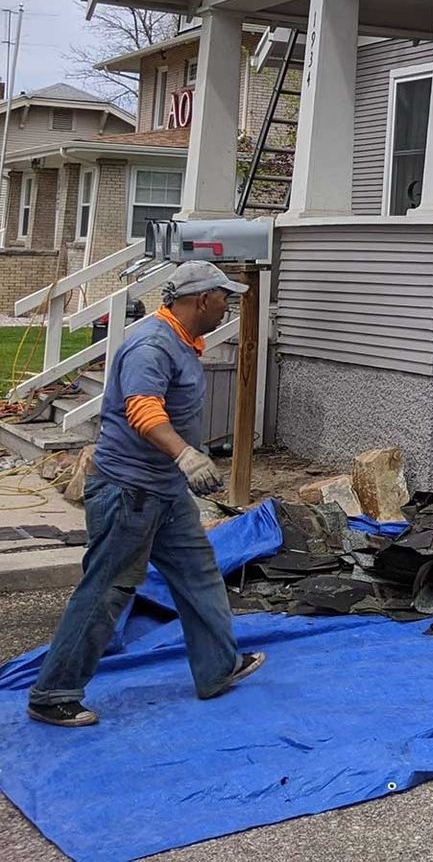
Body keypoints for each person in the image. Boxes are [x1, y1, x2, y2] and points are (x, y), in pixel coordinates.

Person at [27, 261, 265, 727]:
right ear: (201, 301)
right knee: (108, 590)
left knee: (199, 574)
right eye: (224, 298)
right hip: (128, 492)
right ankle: (52, 693)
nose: (228, 305)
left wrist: (178, 466)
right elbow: (142, 409)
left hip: (163, 492)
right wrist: (186, 456)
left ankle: (218, 667)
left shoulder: (180, 341)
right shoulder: (152, 344)